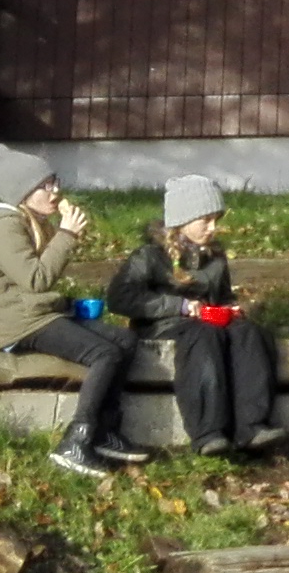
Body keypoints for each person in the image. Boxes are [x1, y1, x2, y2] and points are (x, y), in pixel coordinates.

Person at [0, 147, 139, 477]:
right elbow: (36, 279)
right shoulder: (3, 227)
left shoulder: (30, 223)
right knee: (105, 354)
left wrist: (66, 303)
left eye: (53, 181)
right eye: (45, 185)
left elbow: (32, 286)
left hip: (30, 313)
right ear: (22, 191)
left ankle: (104, 433)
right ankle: (75, 442)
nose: (55, 191)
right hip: (12, 323)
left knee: (125, 341)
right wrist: (68, 234)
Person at [106, 173, 280, 457]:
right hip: (164, 325)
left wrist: (231, 308)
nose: (213, 228)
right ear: (183, 220)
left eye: (216, 220)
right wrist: (180, 307)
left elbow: (222, 296)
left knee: (250, 332)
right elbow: (121, 298)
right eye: (205, 220)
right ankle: (208, 433)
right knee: (204, 335)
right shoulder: (149, 256)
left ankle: (253, 426)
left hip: (207, 320)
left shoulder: (215, 257)